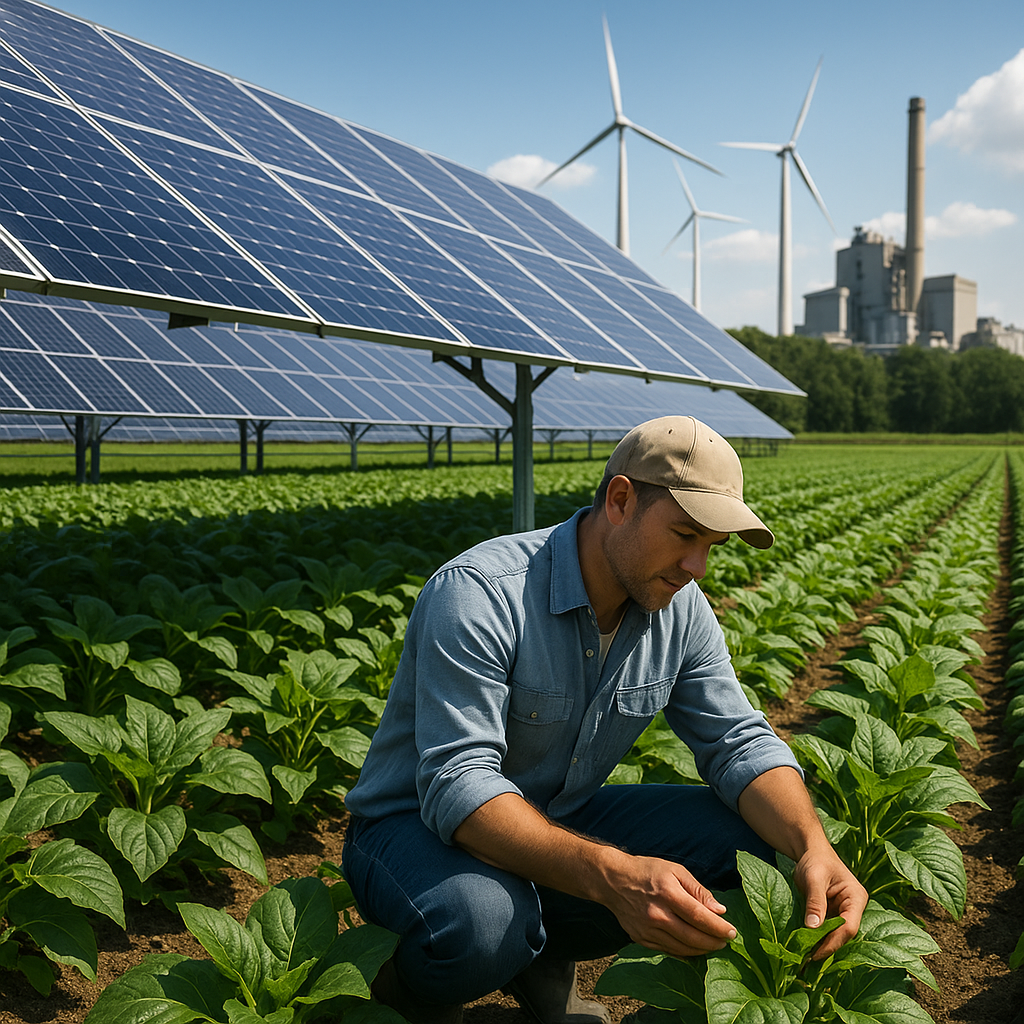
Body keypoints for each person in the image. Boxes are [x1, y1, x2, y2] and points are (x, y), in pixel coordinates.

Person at [342, 415, 867, 1024]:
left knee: (758, 846)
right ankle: (406, 994)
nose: (697, 565)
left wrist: (812, 845)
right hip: (414, 831)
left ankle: (539, 955)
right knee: (483, 925)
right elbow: (458, 783)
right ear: (620, 500)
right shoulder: (481, 592)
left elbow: (737, 739)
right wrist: (615, 876)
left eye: (711, 547)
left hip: (554, 817)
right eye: (683, 534)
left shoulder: (679, 609)